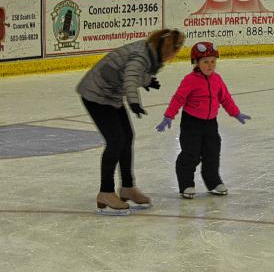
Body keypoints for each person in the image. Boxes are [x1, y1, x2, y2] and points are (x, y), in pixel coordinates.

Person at [77, 28, 185, 214]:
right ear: (168, 50)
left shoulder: (149, 51)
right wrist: (134, 102)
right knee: (116, 141)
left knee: (126, 137)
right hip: (96, 94)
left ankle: (127, 187)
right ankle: (106, 191)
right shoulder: (141, 55)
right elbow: (130, 76)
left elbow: (130, 71)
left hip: (110, 95)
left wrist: (146, 81)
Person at [155, 41, 251, 198]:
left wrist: (235, 113)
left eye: (213, 61)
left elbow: (225, 98)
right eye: (206, 62)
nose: (210, 65)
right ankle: (186, 184)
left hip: (210, 123)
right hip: (191, 123)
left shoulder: (217, 79)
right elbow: (178, 98)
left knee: (212, 152)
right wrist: (168, 116)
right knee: (191, 153)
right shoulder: (190, 80)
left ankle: (213, 182)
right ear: (196, 63)